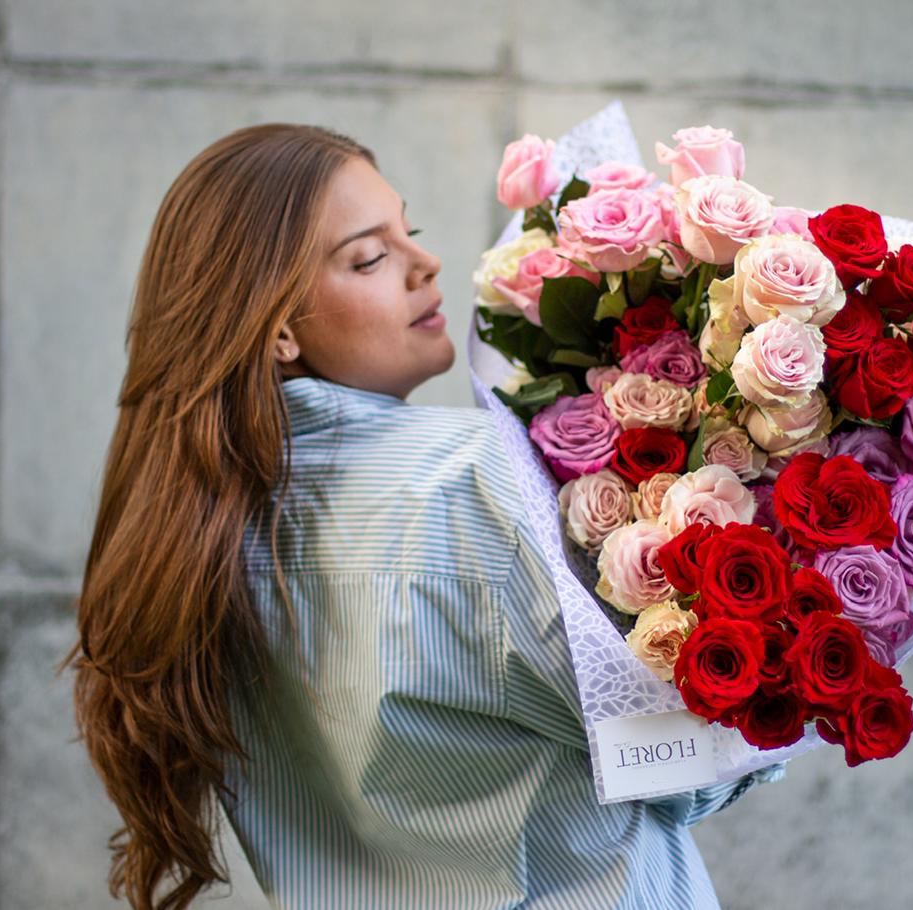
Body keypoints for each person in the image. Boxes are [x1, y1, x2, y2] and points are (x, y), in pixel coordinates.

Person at [68, 122, 785, 910]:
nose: (425, 262)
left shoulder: (192, 537)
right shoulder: (472, 484)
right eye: (369, 257)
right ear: (275, 330)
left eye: (407, 232)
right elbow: (673, 770)